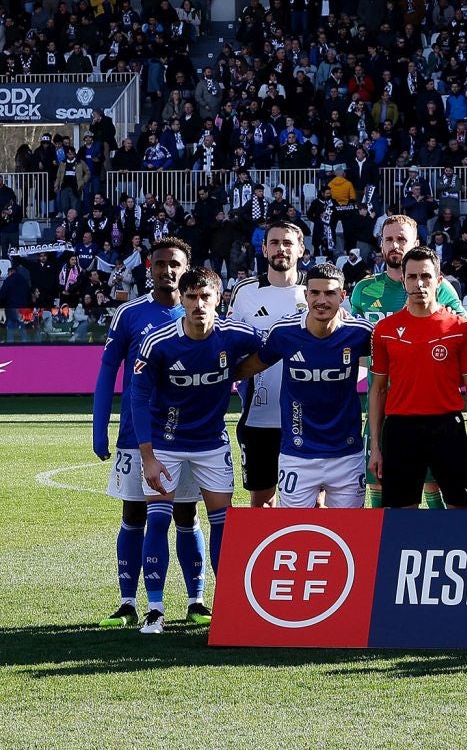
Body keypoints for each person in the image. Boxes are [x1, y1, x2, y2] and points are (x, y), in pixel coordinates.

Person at [128, 267, 264, 632]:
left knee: (223, 522)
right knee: (157, 519)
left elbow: (273, 347)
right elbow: (138, 398)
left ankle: (228, 604)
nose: (199, 304)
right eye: (191, 297)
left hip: (211, 443)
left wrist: (240, 371)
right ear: (182, 300)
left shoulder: (234, 334)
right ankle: (154, 609)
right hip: (166, 443)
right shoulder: (158, 342)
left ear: (219, 299)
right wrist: (148, 457)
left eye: (206, 297)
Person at [91, 236, 200, 629]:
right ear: (148, 268)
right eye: (159, 263)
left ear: (186, 268)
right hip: (136, 436)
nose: (167, 270)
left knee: (186, 514)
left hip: (186, 437)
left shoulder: (199, 313)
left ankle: (196, 600)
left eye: (174, 263)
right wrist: (99, 427)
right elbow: (107, 371)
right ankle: (127, 602)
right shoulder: (129, 314)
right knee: (134, 512)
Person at [350, 213, 467, 509]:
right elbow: (352, 342)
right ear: (380, 244)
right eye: (389, 239)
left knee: (435, 481)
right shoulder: (364, 290)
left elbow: (464, 330)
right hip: (386, 406)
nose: (395, 245)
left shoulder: (439, 288)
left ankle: (435, 550)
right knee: (379, 479)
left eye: (402, 239)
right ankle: (386, 549)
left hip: (433, 405)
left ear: (416, 243)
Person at [367, 248, 467, 510]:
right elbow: (376, 391)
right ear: (403, 280)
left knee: (460, 510)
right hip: (400, 430)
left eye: (426, 276)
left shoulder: (461, 328)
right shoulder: (384, 330)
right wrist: (375, 447)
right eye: (412, 277)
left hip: (448, 428)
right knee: (401, 517)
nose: (419, 284)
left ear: (439, 280)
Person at [251, 263, 375, 509]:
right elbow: (250, 366)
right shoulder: (284, 332)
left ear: (342, 296)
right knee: (294, 533)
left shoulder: (360, 332)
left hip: (347, 455)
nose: (321, 300)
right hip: (297, 455)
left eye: (329, 293)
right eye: (315, 293)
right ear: (305, 295)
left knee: (350, 536)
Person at [225, 219, 307, 507]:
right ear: (264, 248)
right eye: (274, 242)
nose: (281, 249)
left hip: (308, 418)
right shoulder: (246, 292)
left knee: (313, 504)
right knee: (262, 503)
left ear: (301, 249)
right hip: (260, 417)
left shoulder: (315, 291)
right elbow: (230, 346)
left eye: (287, 243)